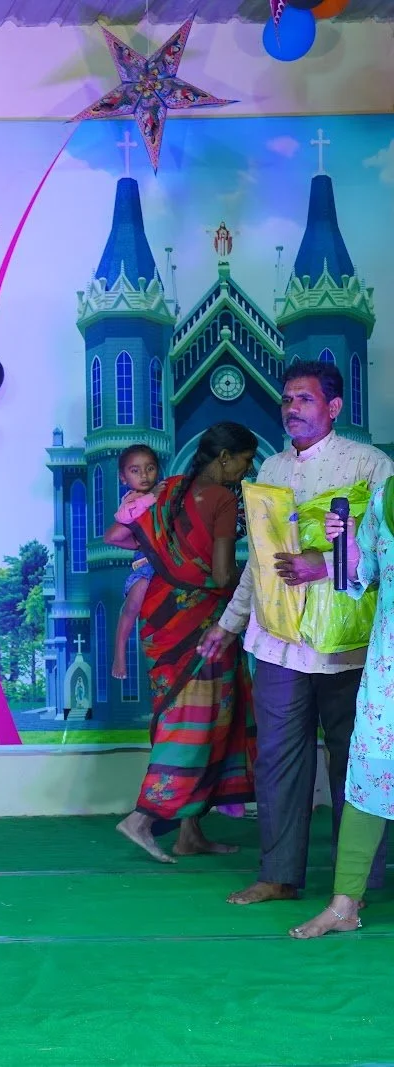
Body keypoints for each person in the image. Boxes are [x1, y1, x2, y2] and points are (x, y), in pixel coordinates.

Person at [197, 361, 394, 905]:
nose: (292, 409)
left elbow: (384, 550)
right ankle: (278, 874)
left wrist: (323, 564)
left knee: (352, 757)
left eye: (304, 399)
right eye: (287, 400)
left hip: (348, 643)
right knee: (278, 756)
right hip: (279, 640)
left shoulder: (370, 465)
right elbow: (261, 563)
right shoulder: (272, 469)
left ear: (333, 407)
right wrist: (229, 624)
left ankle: (357, 883)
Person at [105, 425, 257, 863]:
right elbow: (223, 574)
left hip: (161, 618)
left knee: (193, 716)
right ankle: (142, 819)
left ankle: (190, 832)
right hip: (203, 625)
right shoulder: (223, 498)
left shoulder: (168, 489)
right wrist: (257, 581)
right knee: (195, 721)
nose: (247, 469)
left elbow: (125, 536)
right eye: (245, 460)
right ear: (225, 458)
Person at [290, 479, 394, 937]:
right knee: (369, 773)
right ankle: (343, 906)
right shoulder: (386, 497)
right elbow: (360, 575)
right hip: (389, 666)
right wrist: (347, 540)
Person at [112, 445, 162, 681]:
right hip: (145, 564)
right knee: (134, 601)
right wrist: (152, 498)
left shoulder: (163, 493)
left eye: (150, 468)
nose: (144, 475)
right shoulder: (133, 499)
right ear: (123, 478)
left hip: (167, 560)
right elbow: (123, 517)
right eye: (135, 470)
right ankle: (120, 651)